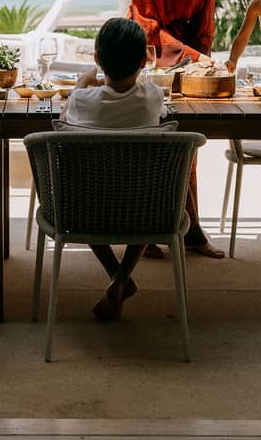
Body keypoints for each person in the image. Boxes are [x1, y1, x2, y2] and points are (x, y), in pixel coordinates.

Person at [127, 0, 233, 259]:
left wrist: (204, 61)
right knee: (157, 141)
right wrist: (193, 58)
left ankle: (187, 227)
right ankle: (158, 228)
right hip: (150, 61)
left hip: (190, 62)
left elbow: (205, 23)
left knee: (188, 139)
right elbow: (148, 29)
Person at [60, 17, 166, 322]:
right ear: (144, 61)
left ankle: (117, 277)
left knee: (80, 198)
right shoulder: (153, 98)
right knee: (150, 200)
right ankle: (121, 279)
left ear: (97, 60)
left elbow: (64, 119)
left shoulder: (82, 101)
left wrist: (81, 84)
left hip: (87, 210)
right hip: (146, 210)